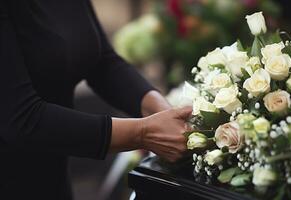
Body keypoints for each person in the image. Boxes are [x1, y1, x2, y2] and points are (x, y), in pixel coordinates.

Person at [0, 0, 191, 199]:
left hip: (51, 174)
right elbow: (22, 119)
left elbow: (101, 61)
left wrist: (162, 109)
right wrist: (143, 133)